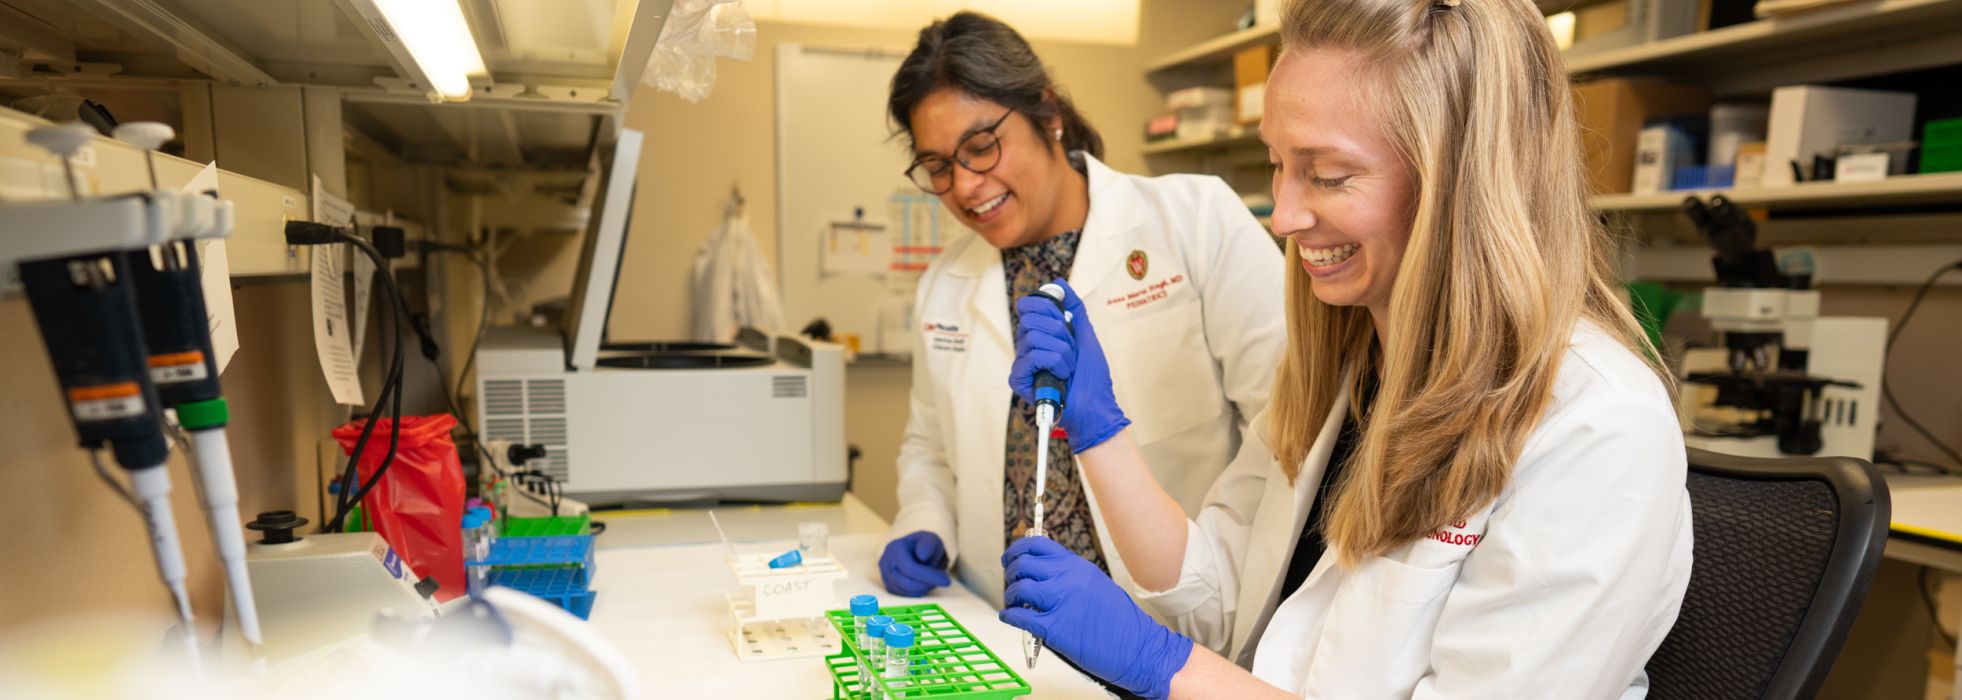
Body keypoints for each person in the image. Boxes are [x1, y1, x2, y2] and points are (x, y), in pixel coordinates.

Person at [998, 0, 1695, 696]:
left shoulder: (1598, 427)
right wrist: (1097, 430)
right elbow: (1216, 603)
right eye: (1277, 164)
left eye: (1327, 175)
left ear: (1460, 187)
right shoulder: (1351, 372)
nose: (1286, 215)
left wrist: (1159, 663)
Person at [878, 12, 1287, 608]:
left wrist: (1235, 576)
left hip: (1180, 620)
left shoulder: (1194, 221)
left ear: (1048, 114)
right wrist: (923, 518)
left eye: (981, 147)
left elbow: (1287, 423)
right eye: (938, 166)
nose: (964, 186)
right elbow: (929, 445)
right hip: (1007, 625)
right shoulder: (944, 282)